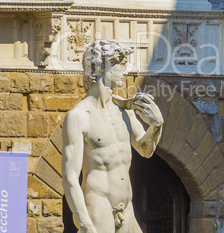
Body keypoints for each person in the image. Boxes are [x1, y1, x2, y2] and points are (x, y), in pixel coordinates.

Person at [62, 39, 164, 233]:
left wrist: (156, 125)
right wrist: (84, 222)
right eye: (122, 64)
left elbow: (145, 150)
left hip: (126, 206)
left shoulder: (125, 110)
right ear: (101, 66)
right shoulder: (79, 117)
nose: (126, 70)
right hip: (98, 205)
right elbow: (70, 178)